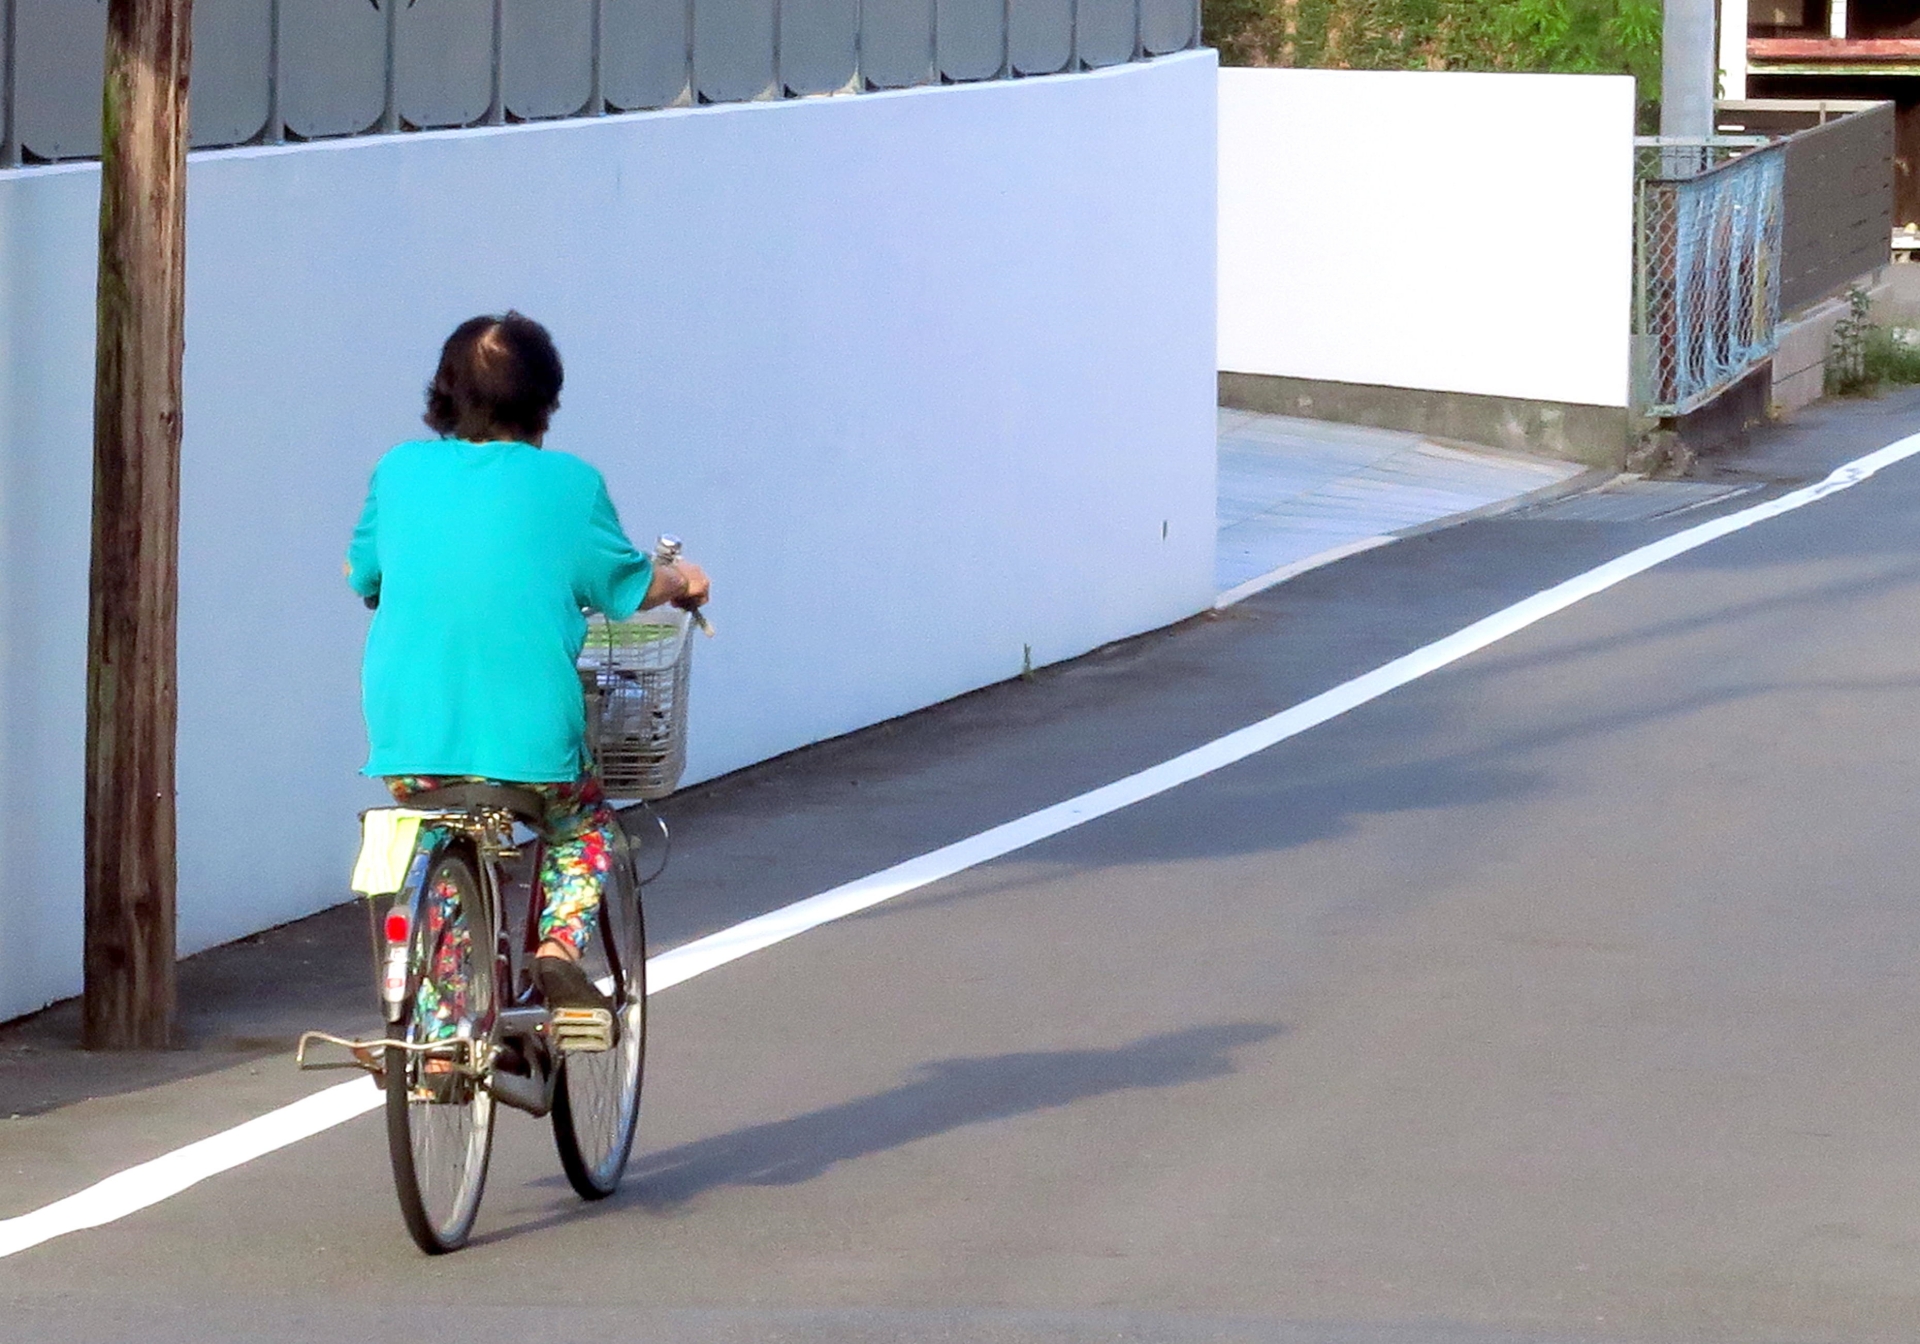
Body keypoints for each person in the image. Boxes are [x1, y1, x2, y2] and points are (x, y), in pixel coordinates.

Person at [346, 311, 708, 1024]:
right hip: (533, 747)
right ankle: (559, 954)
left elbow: (365, 576)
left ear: (444, 395)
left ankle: (442, 1032)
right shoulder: (570, 485)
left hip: (409, 739)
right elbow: (628, 586)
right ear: (545, 402)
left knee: (439, 824)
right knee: (583, 824)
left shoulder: (399, 471)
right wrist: (685, 581)